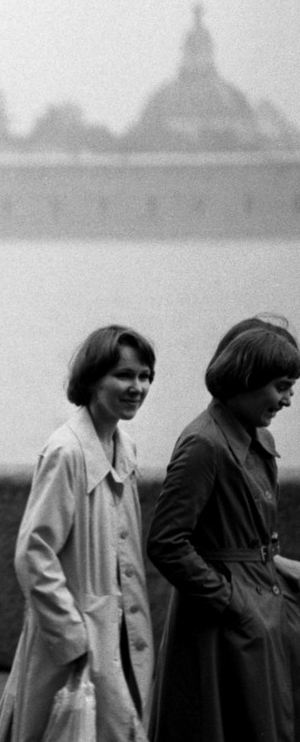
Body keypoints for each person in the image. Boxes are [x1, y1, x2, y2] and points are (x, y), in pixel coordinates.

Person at [0, 325, 157, 742]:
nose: (137, 387)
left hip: (121, 630)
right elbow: (34, 553)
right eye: (124, 375)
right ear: (92, 379)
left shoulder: (125, 446)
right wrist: (72, 635)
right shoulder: (66, 451)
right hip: (79, 637)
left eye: (144, 375)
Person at [147, 318, 300, 742]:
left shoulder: (256, 437)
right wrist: (231, 601)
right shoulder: (205, 444)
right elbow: (166, 542)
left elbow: (254, 542)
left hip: (262, 609)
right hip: (220, 627)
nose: (288, 400)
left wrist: (280, 571)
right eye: (282, 386)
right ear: (247, 379)